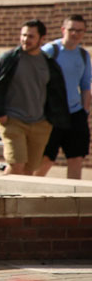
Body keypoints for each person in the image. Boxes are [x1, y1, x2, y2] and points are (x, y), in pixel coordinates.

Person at [0, 19, 69, 176]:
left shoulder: (49, 63)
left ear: (42, 39)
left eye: (31, 36)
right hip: (13, 120)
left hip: (40, 123)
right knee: (17, 164)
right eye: (23, 35)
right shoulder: (9, 59)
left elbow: (57, 94)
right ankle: (1, 198)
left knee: (29, 170)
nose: (25, 40)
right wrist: (0, 113)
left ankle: (19, 200)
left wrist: (51, 120)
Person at [37, 15, 90, 179]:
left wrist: (84, 111)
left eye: (79, 30)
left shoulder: (83, 55)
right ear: (63, 30)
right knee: (46, 159)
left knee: (76, 158)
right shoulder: (50, 51)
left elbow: (86, 86)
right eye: (71, 29)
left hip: (75, 114)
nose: (75, 34)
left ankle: (74, 198)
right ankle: (29, 191)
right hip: (52, 114)